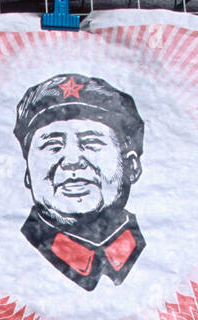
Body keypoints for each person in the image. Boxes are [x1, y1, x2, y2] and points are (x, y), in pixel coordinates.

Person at [14, 74, 146, 291]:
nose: (72, 161)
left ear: (131, 166)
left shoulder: (165, 249)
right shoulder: (9, 252)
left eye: (91, 143)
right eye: (53, 146)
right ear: (28, 171)